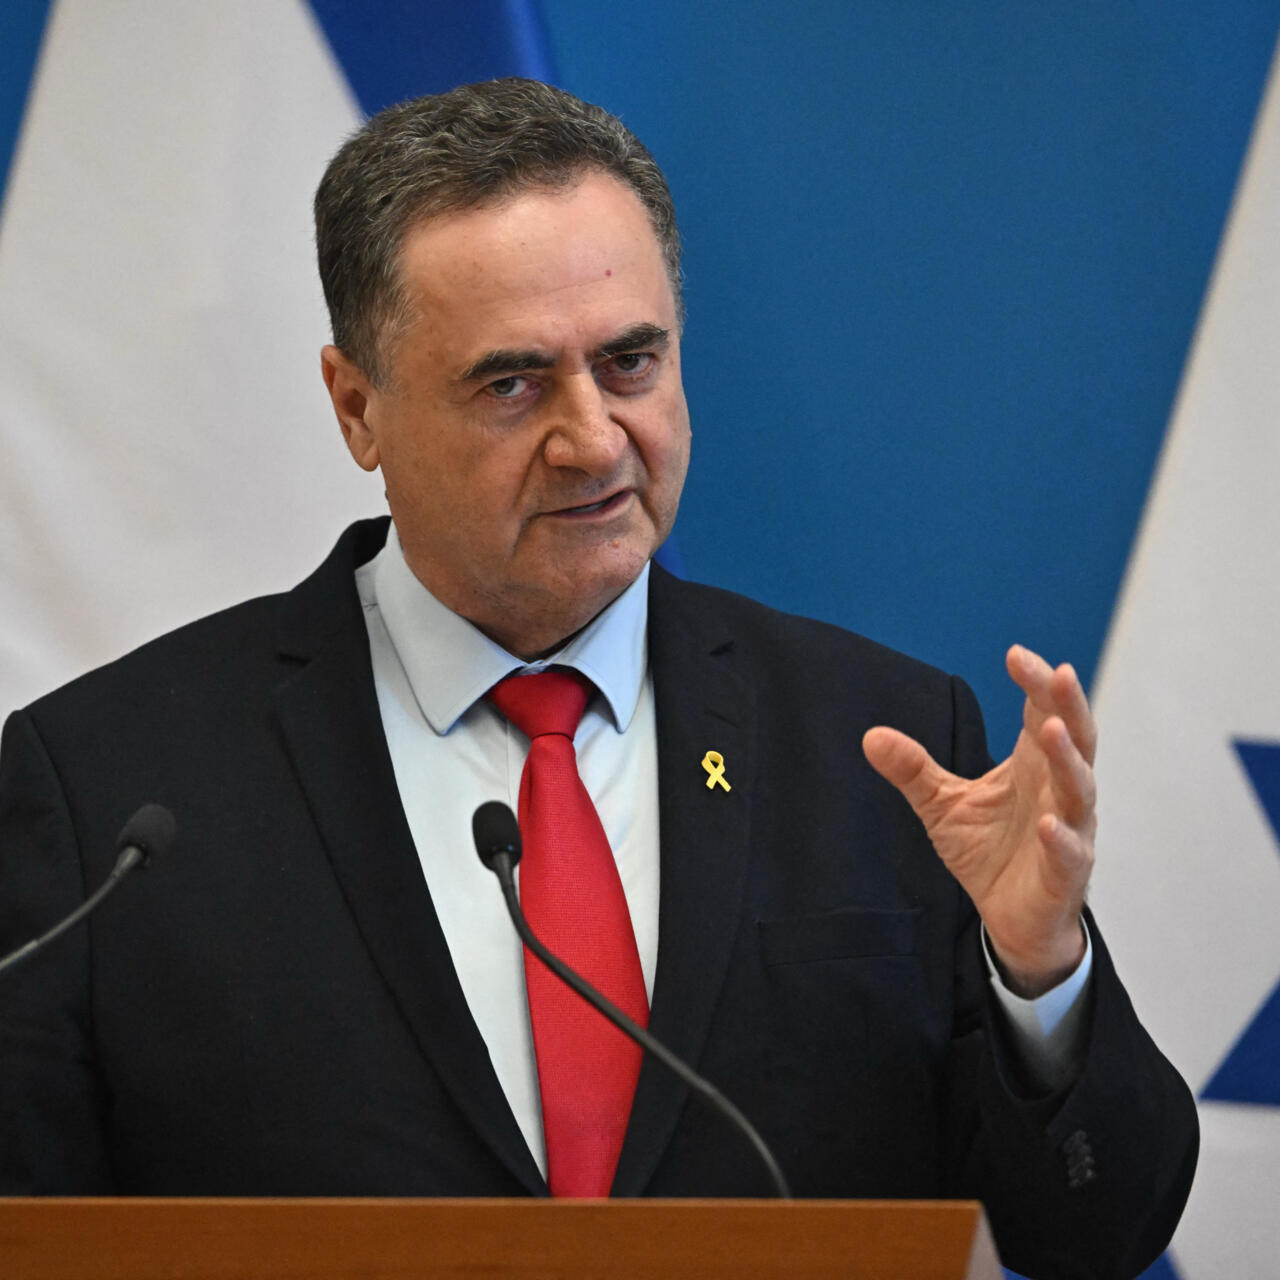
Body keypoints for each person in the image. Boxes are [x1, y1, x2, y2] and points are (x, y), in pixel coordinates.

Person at [0, 79, 1194, 1278]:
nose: (592, 438)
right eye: (510, 383)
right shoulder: (114, 793)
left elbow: (1091, 1233)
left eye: (629, 362)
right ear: (357, 406)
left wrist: (1039, 972)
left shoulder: (884, 745)